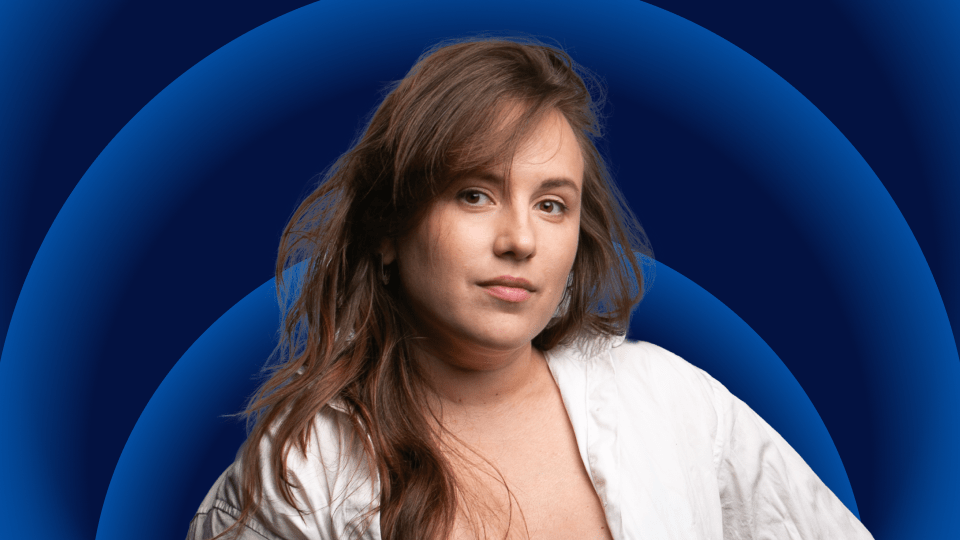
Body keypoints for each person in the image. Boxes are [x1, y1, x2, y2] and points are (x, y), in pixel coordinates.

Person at [187, 38, 874, 540]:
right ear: (389, 227)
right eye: (474, 193)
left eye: (552, 205)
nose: (520, 239)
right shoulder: (303, 467)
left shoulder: (670, 401)